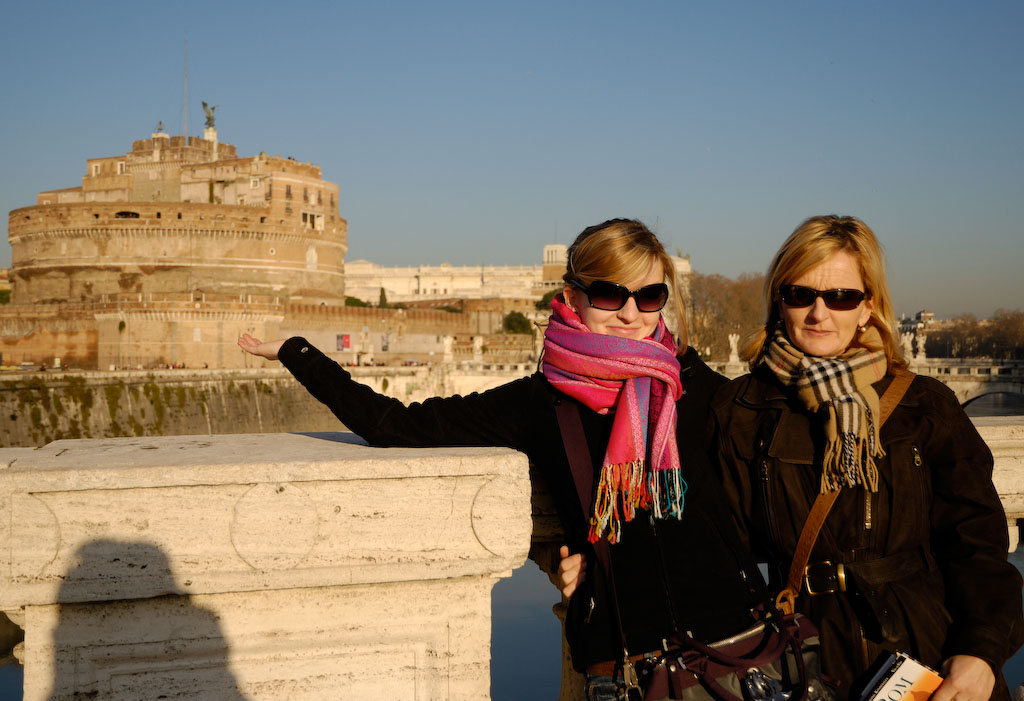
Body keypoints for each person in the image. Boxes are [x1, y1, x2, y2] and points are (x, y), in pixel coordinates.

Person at [239, 219, 773, 700]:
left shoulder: (695, 385)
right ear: (574, 296)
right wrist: (298, 353)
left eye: (650, 295)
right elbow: (395, 425)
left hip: (736, 649)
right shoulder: (540, 402)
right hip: (628, 662)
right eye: (611, 294)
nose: (632, 313)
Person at [707, 215, 1024, 700]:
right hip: (801, 663)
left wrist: (980, 654)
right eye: (800, 295)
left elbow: (975, 544)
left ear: (867, 307)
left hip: (928, 659)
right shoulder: (741, 410)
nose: (820, 313)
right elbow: (710, 550)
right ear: (779, 301)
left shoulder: (924, 406)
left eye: (840, 297)